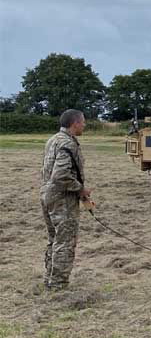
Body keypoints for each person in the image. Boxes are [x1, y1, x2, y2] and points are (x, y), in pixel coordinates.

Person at [40, 109, 91, 289]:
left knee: (54, 240)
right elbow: (60, 176)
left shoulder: (53, 140)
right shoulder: (68, 144)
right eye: (83, 122)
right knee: (65, 242)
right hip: (62, 200)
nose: (84, 125)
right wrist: (80, 189)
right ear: (74, 123)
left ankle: (49, 279)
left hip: (47, 196)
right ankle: (58, 285)